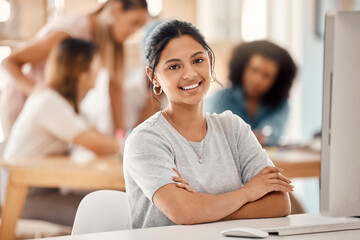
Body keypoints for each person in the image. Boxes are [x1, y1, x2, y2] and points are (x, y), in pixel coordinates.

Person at [124, 20, 294, 229]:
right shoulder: (145, 140)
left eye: (197, 60)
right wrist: (247, 193)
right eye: (174, 66)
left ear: (210, 61)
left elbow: (278, 203)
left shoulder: (234, 128)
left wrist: (201, 207)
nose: (190, 74)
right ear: (154, 77)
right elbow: (184, 212)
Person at [1, 38, 120, 226]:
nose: (100, 72)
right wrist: (130, 142)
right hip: (22, 197)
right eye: (97, 65)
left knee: (108, 204)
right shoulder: (49, 102)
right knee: (103, 214)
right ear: (82, 73)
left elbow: (97, 137)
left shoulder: (66, 104)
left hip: (44, 191)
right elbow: (98, 144)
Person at [0, 0, 149, 140]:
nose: (134, 31)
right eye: (134, 23)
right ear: (117, 9)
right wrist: (36, 91)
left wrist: (120, 136)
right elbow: (9, 61)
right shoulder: (70, 33)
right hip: (19, 107)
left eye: (139, 27)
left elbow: (114, 88)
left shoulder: (108, 42)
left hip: (52, 112)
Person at [205, 40, 297, 146]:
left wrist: (265, 135)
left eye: (266, 75)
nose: (257, 80)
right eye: (254, 70)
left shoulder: (281, 104)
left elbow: (274, 130)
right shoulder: (220, 98)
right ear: (242, 68)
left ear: (277, 81)